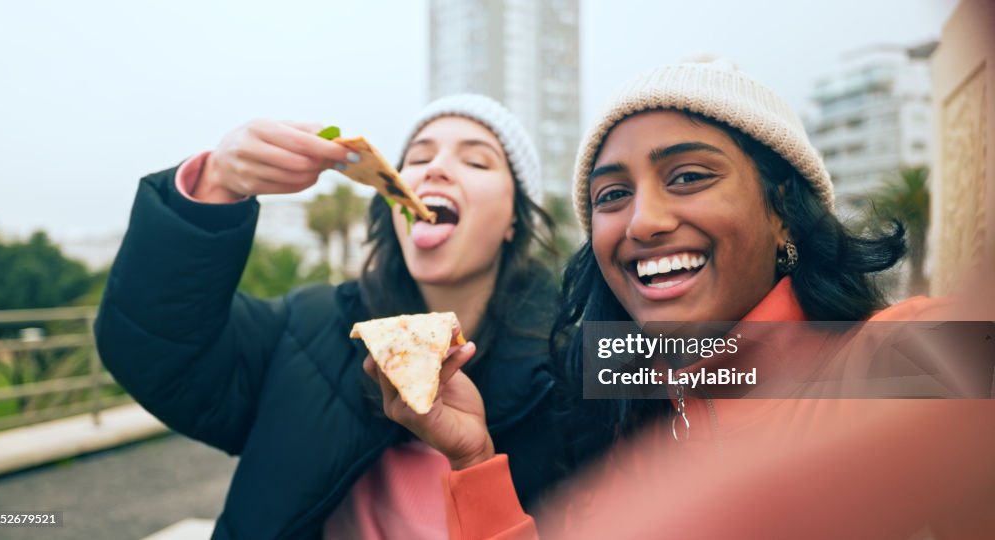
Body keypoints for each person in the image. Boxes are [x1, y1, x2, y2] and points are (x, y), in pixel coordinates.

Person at [373, 59, 995, 539]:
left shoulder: (893, 360)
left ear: (785, 212)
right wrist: (472, 454)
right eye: (611, 195)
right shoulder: (627, 419)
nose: (643, 221)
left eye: (689, 177)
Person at [93, 94, 563, 539]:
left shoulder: (579, 363)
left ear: (514, 221)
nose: (435, 169)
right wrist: (215, 183)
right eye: (417, 158)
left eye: (476, 161)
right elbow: (154, 346)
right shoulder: (308, 326)